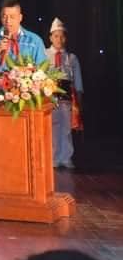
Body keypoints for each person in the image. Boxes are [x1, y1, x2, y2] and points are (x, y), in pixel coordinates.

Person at [46, 18, 83, 169]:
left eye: (62, 36)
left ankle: (66, 157)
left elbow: (78, 80)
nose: (59, 39)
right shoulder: (44, 54)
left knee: (66, 128)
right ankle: (53, 157)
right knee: (53, 127)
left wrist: (79, 99)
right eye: (56, 36)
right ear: (50, 38)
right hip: (50, 95)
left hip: (67, 96)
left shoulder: (71, 58)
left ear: (65, 38)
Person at [0, 0, 48, 71]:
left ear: (20, 17)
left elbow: (43, 69)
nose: (8, 21)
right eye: (4, 17)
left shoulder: (35, 41)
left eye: (12, 17)